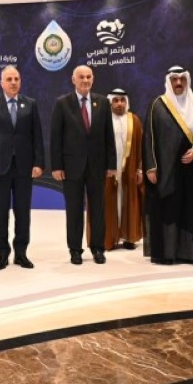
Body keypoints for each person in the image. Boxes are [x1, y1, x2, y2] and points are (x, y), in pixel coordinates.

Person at [143, 66, 193, 265]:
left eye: (182, 79)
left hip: (192, 170)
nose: (179, 83)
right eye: (174, 79)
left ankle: (189, 253)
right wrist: (151, 167)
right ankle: (167, 253)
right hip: (166, 172)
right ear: (169, 81)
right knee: (168, 209)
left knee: (191, 209)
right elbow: (149, 137)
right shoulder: (158, 105)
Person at [0, 66, 45, 270]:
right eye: (9, 79)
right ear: (1, 82)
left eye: (16, 78)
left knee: (23, 212)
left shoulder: (30, 104)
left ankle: (21, 253)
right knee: (0, 212)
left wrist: (38, 163)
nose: (13, 82)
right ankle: (2, 254)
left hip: (24, 167)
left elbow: (37, 136)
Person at [51, 66, 116, 265]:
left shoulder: (103, 102)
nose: (85, 80)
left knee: (98, 210)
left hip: (97, 165)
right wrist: (56, 166)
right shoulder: (62, 103)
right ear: (73, 79)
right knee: (74, 210)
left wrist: (111, 164)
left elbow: (109, 136)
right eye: (81, 77)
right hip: (71, 167)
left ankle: (98, 248)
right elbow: (56, 138)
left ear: (93, 79)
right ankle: (75, 250)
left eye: (88, 77)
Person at [100, 88, 144, 252]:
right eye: (116, 100)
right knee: (108, 202)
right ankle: (109, 238)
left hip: (129, 171)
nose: (119, 104)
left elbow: (141, 147)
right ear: (110, 102)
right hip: (108, 171)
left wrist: (140, 169)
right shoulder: (103, 120)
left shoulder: (134, 121)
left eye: (122, 100)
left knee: (129, 202)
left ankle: (129, 237)